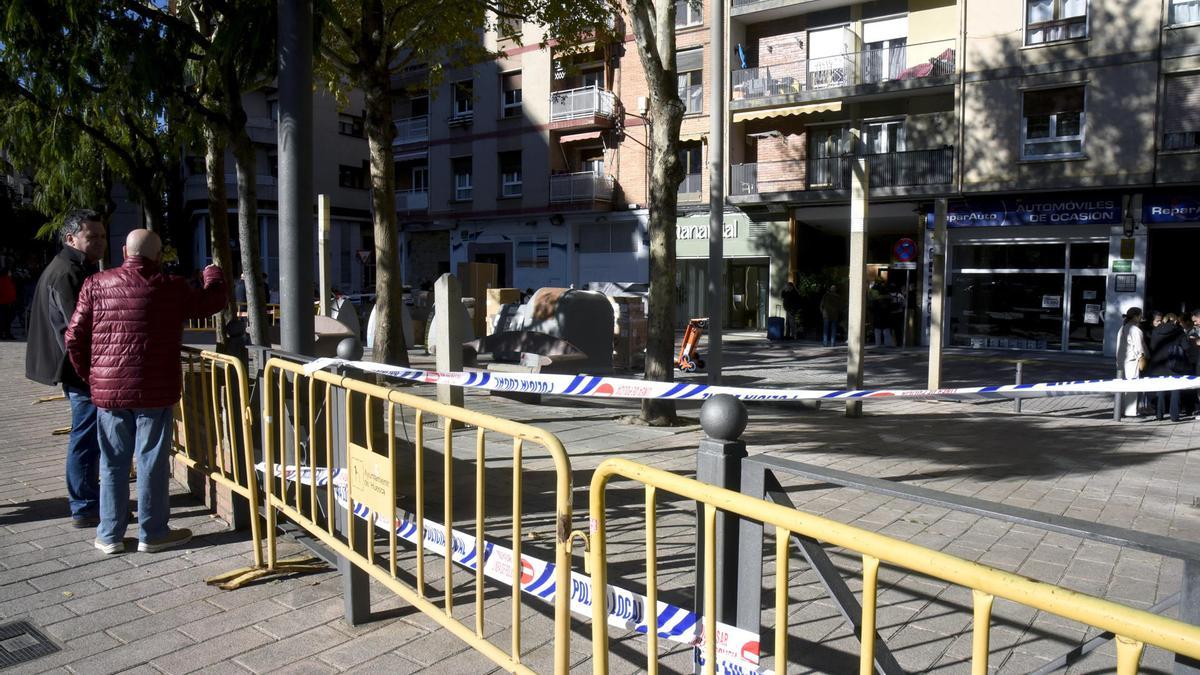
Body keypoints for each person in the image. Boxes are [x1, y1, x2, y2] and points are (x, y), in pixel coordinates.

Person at [66, 229, 227, 554]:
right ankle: (152, 533)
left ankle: (109, 534)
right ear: (157, 257)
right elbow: (212, 302)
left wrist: (93, 377)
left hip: (109, 392)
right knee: (151, 460)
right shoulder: (170, 287)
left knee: (112, 462)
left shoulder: (96, 284)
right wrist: (213, 274)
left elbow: (73, 337)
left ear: (125, 251)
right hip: (155, 391)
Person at [24, 210, 107, 527]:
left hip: (76, 368)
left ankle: (87, 501)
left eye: (101, 235)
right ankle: (85, 506)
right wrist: (92, 372)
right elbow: (78, 330)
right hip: (79, 370)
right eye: (92, 237)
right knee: (86, 437)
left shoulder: (73, 267)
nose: (99, 242)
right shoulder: (68, 272)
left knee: (86, 435)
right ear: (71, 239)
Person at [1146, 312, 1190, 422]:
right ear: (1175, 321)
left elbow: (1152, 347)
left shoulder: (1156, 331)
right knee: (1175, 390)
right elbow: (1186, 347)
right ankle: (1174, 416)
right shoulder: (1178, 331)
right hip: (1174, 364)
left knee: (1160, 389)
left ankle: (1159, 414)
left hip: (1158, 364)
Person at [1114, 307, 1147, 418]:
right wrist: (1142, 357)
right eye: (1140, 315)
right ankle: (1130, 411)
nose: (1141, 317)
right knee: (1132, 386)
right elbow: (1139, 347)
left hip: (1121, 360)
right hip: (1132, 361)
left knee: (1122, 387)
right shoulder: (1135, 330)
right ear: (1136, 316)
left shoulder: (1122, 328)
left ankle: (1121, 409)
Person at [0, 267, 16, 339]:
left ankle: (6, 333)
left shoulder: (9, 280)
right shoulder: (3, 280)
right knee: (3, 320)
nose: (11, 273)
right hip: (3, 303)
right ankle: (3, 334)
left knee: (7, 320)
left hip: (9, 303)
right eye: (9, 272)